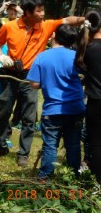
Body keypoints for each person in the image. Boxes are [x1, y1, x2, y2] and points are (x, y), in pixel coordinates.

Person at [0, 0, 85, 167]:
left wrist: (84, 20)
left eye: (43, 10)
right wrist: (1, 56)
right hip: (9, 74)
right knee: (3, 112)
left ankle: (23, 153)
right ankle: (0, 145)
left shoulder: (46, 26)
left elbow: (67, 20)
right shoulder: (10, 27)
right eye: (39, 11)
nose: (42, 14)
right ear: (27, 12)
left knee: (29, 116)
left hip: (30, 76)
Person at [27, 24, 85, 180]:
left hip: (53, 110)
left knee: (50, 146)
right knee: (73, 146)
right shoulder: (76, 56)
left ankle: (45, 177)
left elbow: (34, 84)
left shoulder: (42, 56)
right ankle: (73, 177)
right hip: (75, 108)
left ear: (54, 36)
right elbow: (87, 75)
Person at [0, 0, 24, 129]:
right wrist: (3, 7)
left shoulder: (21, 21)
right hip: (3, 55)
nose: (12, 12)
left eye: (13, 10)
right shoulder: (3, 21)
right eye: (10, 10)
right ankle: (4, 121)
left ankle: (16, 119)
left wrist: (18, 8)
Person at [75, 10, 101, 182]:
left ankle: (99, 181)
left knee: (96, 144)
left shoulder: (86, 49)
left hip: (95, 102)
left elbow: (79, 69)